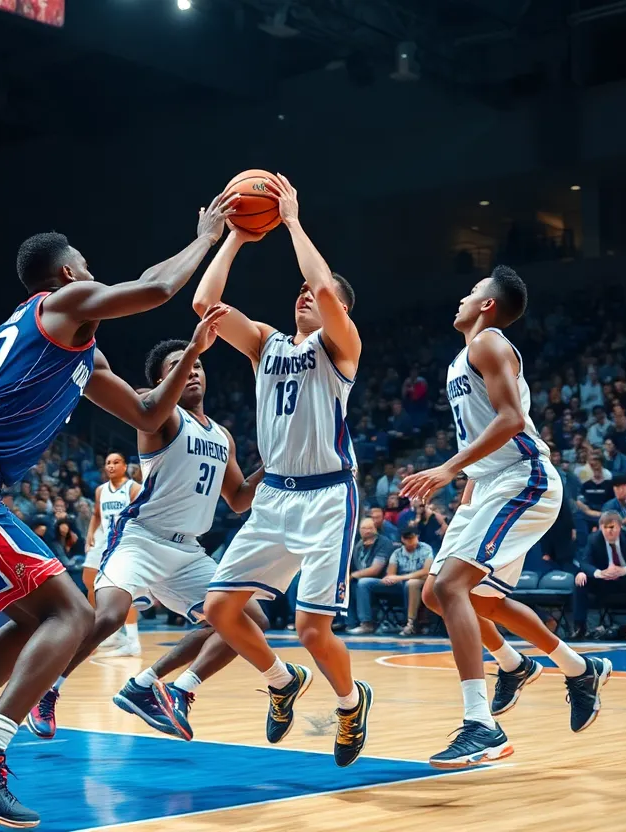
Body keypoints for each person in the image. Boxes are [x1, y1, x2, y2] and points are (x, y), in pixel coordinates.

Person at [0, 193, 239, 828]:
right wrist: (208, 235)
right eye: (86, 262)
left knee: (36, 618)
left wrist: (192, 353)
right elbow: (158, 287)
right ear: (67, 275)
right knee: (73, 614)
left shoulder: (81, 351)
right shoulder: (59, 305)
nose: (94, 269)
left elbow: (145, 413)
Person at [191, 174, 373, 768]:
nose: (305, 294)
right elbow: (205, 305)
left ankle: (350, 703)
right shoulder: (267, 343)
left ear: (338, 310)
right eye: (296, 291)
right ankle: (280, 680)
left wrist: (291, 220)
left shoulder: (341, 346)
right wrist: (236, 238)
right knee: (219, 609)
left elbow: (323, 284)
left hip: (327, 498)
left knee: (312, 629)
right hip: (275, 499)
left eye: (315, 294)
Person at [400, 265, 607, 770]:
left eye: (471, 292)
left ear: (488, 305)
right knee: (442, 593)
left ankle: (481, 727)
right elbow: (482, 435)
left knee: (452, 589)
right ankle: (570, 668)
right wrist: (466, 499)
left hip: (525, 479)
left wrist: (448, 470)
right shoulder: (465, 356)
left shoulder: (489, 343)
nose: (461, 298)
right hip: (493, 484)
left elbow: (512, 421)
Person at [26, 337, 265, 743]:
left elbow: (240, 499)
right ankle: (45, 691)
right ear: (161, 380)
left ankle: (165, 685)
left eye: (198, 366)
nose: (192, 371)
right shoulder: (161, 415)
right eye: (179, 366)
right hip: (142, 539)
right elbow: (150, 410)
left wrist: (273, 466)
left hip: (188, 550)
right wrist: (191, 349)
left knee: (250, 621)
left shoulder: (223, 436)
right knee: (108, 616)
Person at [83, 452, 141, 656]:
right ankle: (108, 633)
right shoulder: (100, 490)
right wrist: (90, 534)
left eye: (116, 462)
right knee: (89, 579)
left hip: (123, 541)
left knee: (121, 589)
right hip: (103, 538)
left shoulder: (133, 488)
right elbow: (97, 514)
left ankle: (133, 642)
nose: (111, 466)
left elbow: (142, 516)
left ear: (125, 466)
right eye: (108, 462)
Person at [572, 512, 626, 640]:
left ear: (620, 527)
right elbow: (584, 563)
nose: (609, 531)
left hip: (625, 580)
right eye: (605, 527)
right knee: (580, 579)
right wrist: (599, 573)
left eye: (612, 527)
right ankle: (580, 627)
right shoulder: (594, 539)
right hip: (603, 580)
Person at [350, 525, 433, 636]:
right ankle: (366, 623)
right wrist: (391, 578)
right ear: (402, 539)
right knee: (364, 582)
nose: (410, 540)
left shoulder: (425, 549)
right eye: (407, 538)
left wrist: (401, 577)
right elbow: (391, 574)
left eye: (413, 537)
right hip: (399, 584)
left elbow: (426, 572)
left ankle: (411, 623)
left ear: (417, 537)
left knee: (411, 583)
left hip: (420, 582)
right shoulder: (397, 553)